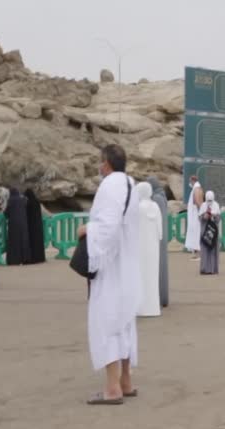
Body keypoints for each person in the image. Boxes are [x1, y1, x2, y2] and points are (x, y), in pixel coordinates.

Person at [76, 144, 140, 405]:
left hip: (111, 266)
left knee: (108, 321)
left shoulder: (110, 184)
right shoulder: (130, 184)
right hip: (126, 264)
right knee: (124, 321)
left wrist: (86, 231)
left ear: (106, 163)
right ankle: (125, 381)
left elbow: (108, 227)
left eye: (100, 162)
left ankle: (112, 388)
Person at [136, 182, 162, 318]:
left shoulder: (138, 208)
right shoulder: (155, 206)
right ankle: (152, 307)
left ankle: (141, 307)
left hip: (141, 246)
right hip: (153, 247)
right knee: (152, 276)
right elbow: (160, 230)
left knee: (141, 276)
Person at [147, 177, 169, 307]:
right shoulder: (162, 196)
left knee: (158, 269)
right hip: (162, 236)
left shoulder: (156, 199)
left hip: (157, 237)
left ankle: (159, 297)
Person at [5, 188, 31, 265]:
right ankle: (25, 259)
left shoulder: (10, 200)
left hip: (13, 224)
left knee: (14, 242)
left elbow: (6, 213)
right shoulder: (23, 200)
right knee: (23, 240)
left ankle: (14, 260)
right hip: (23, 223)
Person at [199, 191, 221, 275]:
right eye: (208, 200)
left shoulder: (216, 205)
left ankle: (213, 269)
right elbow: (200, 218)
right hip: (204, 230)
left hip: (213, 231)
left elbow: (218, 219)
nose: (209, 203)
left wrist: (214, 216)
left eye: (211, 201)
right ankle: (204, 269)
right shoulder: (203, 205)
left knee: (213, 249)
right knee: (204, 249)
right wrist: (204, 216)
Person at [24, 189, 46, 264]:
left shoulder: (29, 203)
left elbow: (27, 215)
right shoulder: (37, 202)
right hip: (38, 225)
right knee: (38, 242)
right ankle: (40, 258)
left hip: (31, 226)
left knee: (33, 243)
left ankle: (34, 258)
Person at [185, 175, 204, 260]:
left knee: (196, 233)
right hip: (195, 214)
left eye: (190, 181)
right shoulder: (198, 188)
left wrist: (201, 211)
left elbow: (197, 201)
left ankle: (198, 254)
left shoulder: (196, 189)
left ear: (193, 181)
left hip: (195, 214)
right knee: (196, 233)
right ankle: (196, 254)